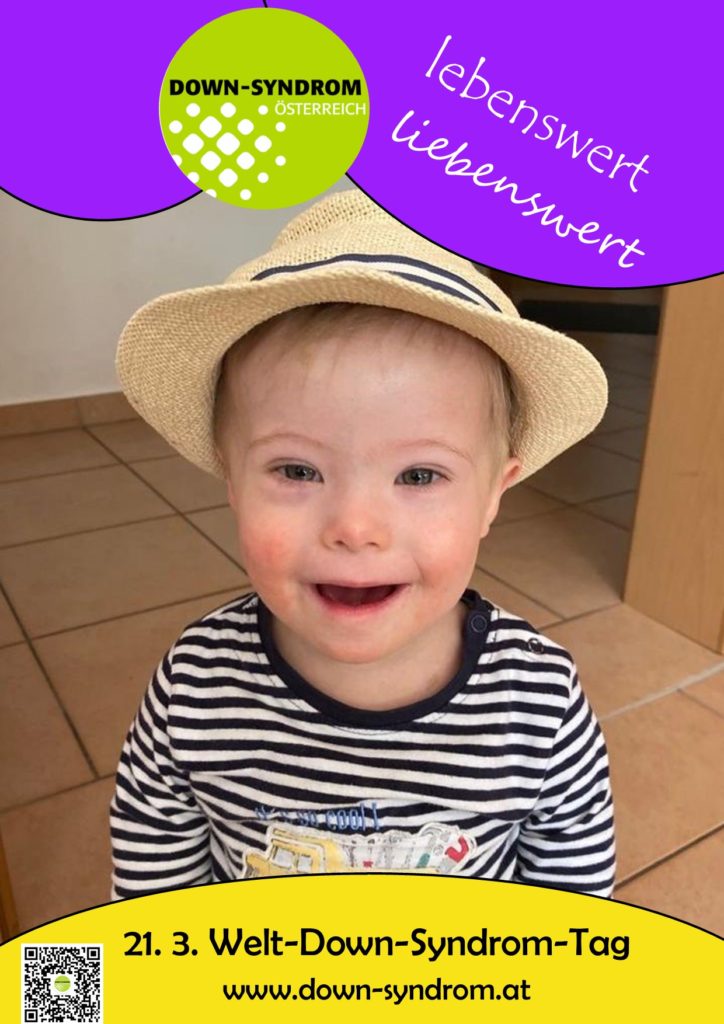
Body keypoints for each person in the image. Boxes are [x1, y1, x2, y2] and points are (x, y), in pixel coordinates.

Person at [110, 189, 615, 898]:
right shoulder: (195, 686)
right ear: (232, 480)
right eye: (297, 470)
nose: (355, 526)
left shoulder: (537, 700)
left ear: (492, 495)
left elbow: (574, 886)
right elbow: (151, 859)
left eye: (419, 475)